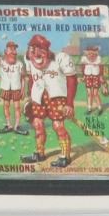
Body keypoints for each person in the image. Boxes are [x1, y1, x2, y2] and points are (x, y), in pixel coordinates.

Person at [22, 34, 77, 168]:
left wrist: (69, 104)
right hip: (38, 97)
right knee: (37, 124)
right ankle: (39, 153)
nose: (36, 54)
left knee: (58, 126)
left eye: (40, 49)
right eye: (33, 50)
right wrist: (30, 96)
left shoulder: (61, 58)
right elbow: (32, 78)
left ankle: (65, 156)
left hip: (57, 97)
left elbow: (72, 79)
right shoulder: (28, 59)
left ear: (47, 50)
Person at [0, 34, 26, 134]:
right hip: (5, 88)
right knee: (6, 106)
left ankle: (17, 126)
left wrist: (23, 89)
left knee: (17, 107)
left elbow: (23, 78)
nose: (13, 51)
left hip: (16, 88)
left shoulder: (19, 64)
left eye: (14, 49)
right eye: (10, 49)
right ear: (6, 52)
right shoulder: (2, 62)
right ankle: (8, 125)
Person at [79, 44, 106, 114]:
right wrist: (83, 76)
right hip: (88, 77)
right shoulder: (84, 58)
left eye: (92, 53)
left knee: (95, 94)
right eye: (89, 53)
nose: (91, 55)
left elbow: (101, 68)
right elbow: (82, 68)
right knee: (89, 94)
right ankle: (89, 108)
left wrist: (101, 77)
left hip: (95, 77)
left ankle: (100, 108)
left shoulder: (98, 58)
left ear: (95, 53)